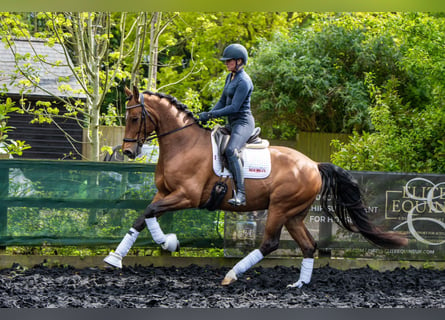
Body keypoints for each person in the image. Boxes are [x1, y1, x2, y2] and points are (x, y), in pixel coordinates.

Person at [198, 43, 255, 207]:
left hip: (243, 123)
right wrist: (207, 116)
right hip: (232, 123)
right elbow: (222, 101)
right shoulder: (230, 77)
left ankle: (242, 194)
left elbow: (233, 107)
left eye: (229, 61)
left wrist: (211, 114)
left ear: (239, 61)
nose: (226, 63)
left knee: (231, 150)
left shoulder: (244, 81)